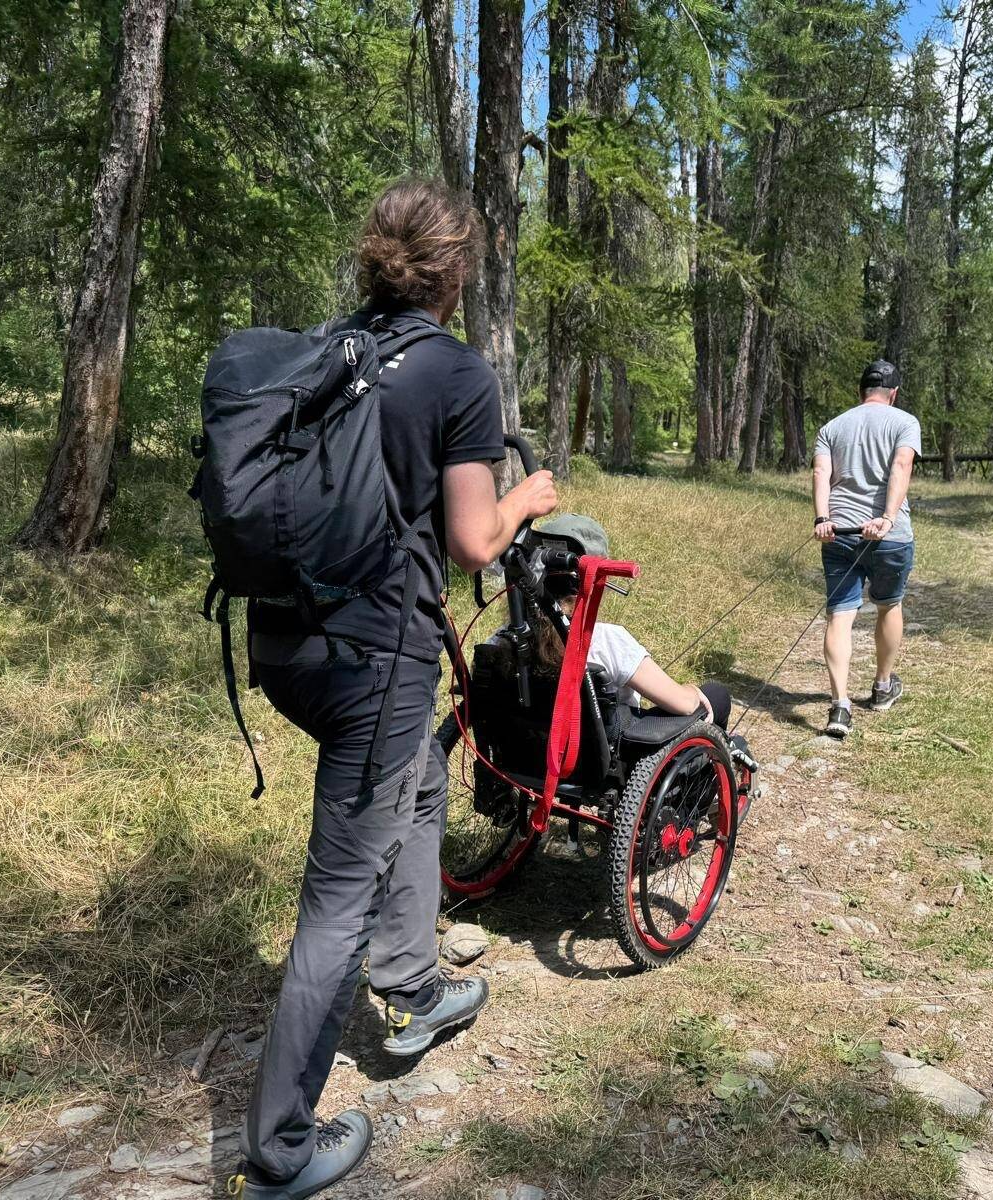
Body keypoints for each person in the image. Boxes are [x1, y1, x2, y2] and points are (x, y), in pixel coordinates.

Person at [227, 179, 559, 1200]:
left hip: (285, 646)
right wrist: (526, 499)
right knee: (337, 896)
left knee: (420, 781)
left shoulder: (335, 351)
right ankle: (279, 1148)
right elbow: (472, 542)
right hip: (375, 663)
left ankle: (413, 983)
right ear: (457, 271)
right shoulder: (458, 375)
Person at [533, 515, 732, 729]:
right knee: (717, 694)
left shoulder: (507, 637)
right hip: (616, 752)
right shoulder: (606, 641)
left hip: (532, 745)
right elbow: (683, 705)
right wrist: (692, 691)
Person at [811, 359, 921, 739]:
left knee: (840, 616)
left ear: (860, 393)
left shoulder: (831, 427)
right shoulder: (905, 422)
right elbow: (901, 466)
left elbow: (821, 473)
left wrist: (821, 518)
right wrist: (888, 518)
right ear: (893, 393)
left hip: (838, 531)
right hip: (889, 535)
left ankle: (840, 706)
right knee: (889, 604)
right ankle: (882, 685)